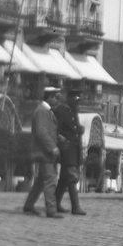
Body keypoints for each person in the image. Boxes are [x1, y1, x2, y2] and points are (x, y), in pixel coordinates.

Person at [23, 86, 63, 218]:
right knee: (50, 179)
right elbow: (41, 132)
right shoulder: (42, 111)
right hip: (44, 153)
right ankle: (51, 210)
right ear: (49, 97)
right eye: (56, 97)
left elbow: (47, 131)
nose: (58, 100)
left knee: (41, 181)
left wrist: (58, 138)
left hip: (45, 152)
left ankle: (28, 205)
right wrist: (52, 147)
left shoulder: (46, 111)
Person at [53, 85, 87, 216]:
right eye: (75, 98)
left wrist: (79, 129)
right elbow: (58, 131)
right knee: (72, 178)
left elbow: (72, 128)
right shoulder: (61, 111)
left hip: (74, 150)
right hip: (67, 150)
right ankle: (75, 206)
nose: (77, 101)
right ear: (69, 98)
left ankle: (55, 203)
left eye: (79, 98)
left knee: (64, 179)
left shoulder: (72, 111)